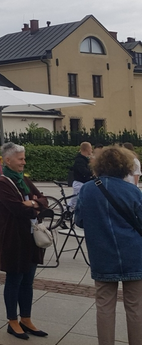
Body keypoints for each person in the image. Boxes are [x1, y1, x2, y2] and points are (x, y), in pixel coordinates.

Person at [75, 145, 142, 345]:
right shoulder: (132, 190)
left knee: (104, 306)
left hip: (102, 254)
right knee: (135, 307)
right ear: (125, 166)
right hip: (134, 254)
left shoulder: (87, 189)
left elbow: (79, 221)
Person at [0, 142, 49, 340]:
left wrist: (34, 202)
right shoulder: (2, 182)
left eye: (24, 158)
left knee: (28, 281)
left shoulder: (23, 180)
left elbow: (44, 200)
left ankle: (26, 318)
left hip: (31, 238)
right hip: (14, 239)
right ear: (8, 160)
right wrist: (34, 206)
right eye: (21, 159)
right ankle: (12, 321)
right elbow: (17, 209)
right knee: (14, 280)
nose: (24, 162)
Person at [69, 141, 93, 209]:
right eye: (90, 148)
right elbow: (83, 171)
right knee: (75, 202)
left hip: (83, 183)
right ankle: (66, 212)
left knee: (76, 201)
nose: (92, 150)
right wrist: (92, 173)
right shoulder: (80, 160)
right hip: (79, 183)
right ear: (87, 149)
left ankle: (68, 211)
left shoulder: (84, 159)